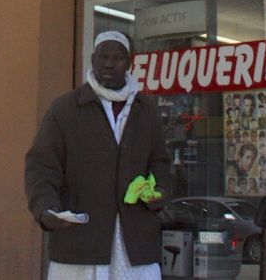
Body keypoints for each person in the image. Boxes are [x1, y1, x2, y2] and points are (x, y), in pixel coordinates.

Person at [24, 30, 170, 279]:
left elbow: (160, 163)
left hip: (135, 246)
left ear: (130, 62)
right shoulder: (66, 109)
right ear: (92, 60)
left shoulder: (146, 111)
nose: (109, 64)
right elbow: (42, 166)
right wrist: (45, 208)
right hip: (80, 242)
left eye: (118, 57)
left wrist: (160, 192)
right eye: (103, 56)